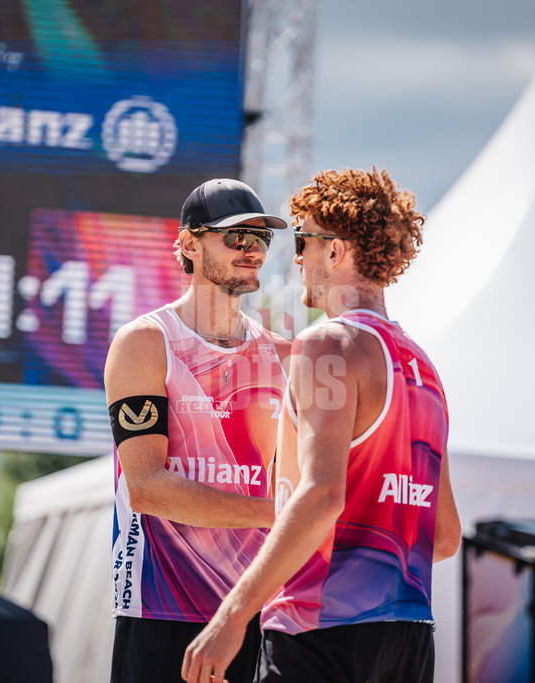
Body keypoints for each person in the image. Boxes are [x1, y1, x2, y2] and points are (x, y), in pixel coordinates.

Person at [182, 167, 461, 683]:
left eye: (304, 240)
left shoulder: (326, 345)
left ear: (335, 251)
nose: (297, 257)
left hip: (321, 629)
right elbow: (443, 536)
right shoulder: (424, 368)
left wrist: (232, 614)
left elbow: (320, 496)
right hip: (409, 632)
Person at [104, 178, 291, 683]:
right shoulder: (145, 341)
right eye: (236, 237)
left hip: (250, 610)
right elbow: (146, 488)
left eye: (261, 239)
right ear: (188, 243)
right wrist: (279, 515)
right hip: (160, 607)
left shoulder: (283, 352)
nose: (252, 250)